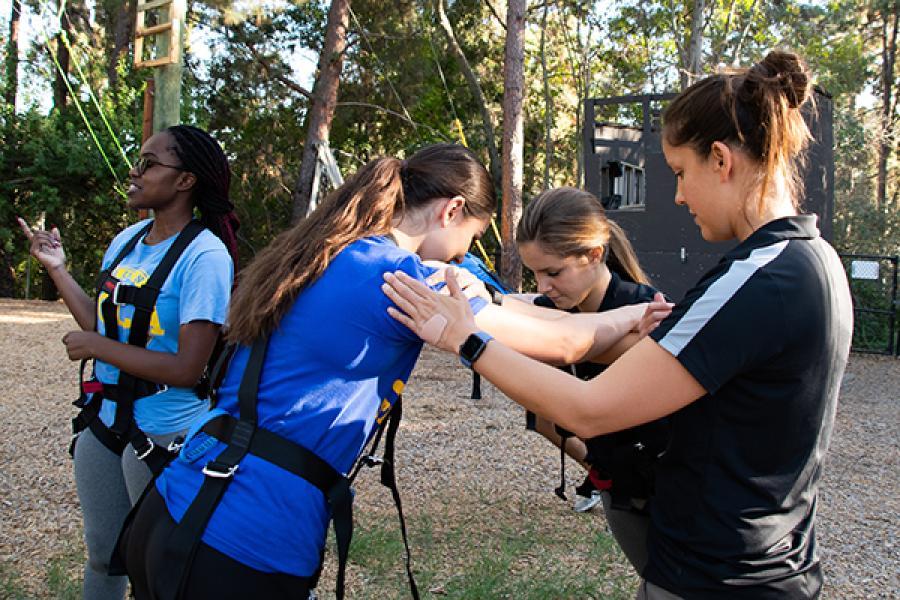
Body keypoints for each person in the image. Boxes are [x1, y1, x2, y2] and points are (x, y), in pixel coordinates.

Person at [383, 51, 852, 598]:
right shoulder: (811, 261)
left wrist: (466, 339)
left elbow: (591, 408)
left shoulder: (759, 279)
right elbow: (638, 354)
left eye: (681, 172)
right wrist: (495, 307)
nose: (678, 195)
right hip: (766, 566)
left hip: (719, 578)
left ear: (721, 159)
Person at [119, 143, 661, 599]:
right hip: (242, 537)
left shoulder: (336, 251)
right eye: (471, 239)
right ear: (451, 211)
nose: (465, 256)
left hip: (180, 506)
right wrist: (641, 315)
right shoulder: (400, 280)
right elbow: (567, 341)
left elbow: (507, 307)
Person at [17, 125, 238, 600]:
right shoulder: (128, 240)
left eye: (149, 164)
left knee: (159, 568)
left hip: (165, 435)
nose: (135, 174)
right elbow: (101, 326)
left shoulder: (205, 256)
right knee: (103, 553)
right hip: (104, 422)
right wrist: (58, 269)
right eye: (138, 162)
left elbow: (187, 368)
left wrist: (97, 350)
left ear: (185, 181)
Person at [504, 186, 668, 573]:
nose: (542, 286)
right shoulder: (548, 311)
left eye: (553, 272)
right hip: (620, 494)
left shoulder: (648, 308)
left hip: (671, 492)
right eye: (535, 274)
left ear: (594, 254)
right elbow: (543, 416)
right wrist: (596, 467)